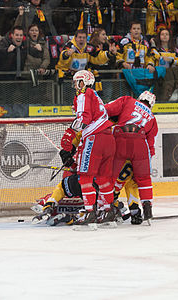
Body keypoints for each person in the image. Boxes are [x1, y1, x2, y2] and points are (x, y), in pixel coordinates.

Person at [60, 70, 115, 225]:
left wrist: (69, 135)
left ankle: (90, 213)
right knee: (104, 178)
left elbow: (83, 118)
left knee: (85, 177)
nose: (75, 86)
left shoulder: (83, 94)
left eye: (77, 82)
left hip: (94, 138)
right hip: (109, 138)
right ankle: (108, 211)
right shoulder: (97, 96)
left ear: (82, 82)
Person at [105, 91, 158, 222]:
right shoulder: (152, 118)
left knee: (109, 176)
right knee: (143, 179)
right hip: (140, 144)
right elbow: (150, 146)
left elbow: (107, 110)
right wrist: (143, 167)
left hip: (120, 139)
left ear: (139, 98)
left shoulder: (128, 100)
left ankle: (107, 209)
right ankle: (147, 208)